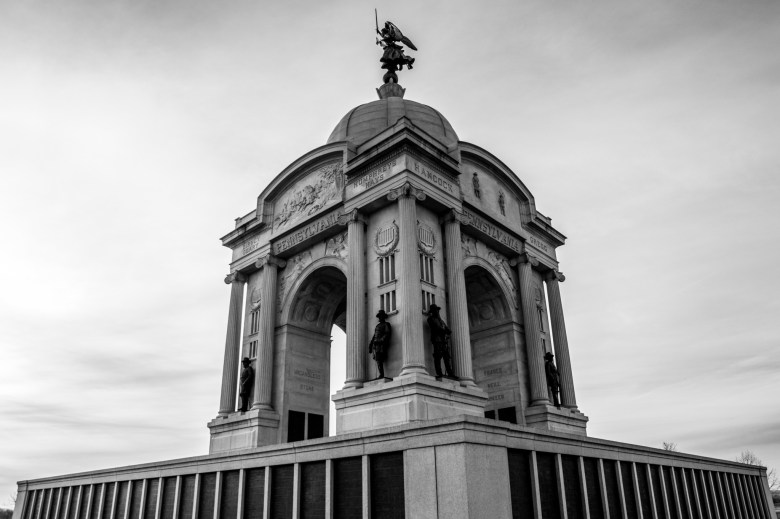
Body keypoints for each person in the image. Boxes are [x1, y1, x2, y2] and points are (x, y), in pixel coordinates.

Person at [427, 304, 456, 378]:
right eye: (436, 310)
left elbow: (448, 330)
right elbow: (436, 328)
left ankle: (450, 373)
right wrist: (443, 330)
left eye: (438, 310)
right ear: (433, 311)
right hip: (437, 340)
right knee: (438, 357)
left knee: (446, 357)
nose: (437, 311)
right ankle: (439, 373)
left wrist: (447, 331)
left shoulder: (441, 321)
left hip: (443, 341)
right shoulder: (430, 319)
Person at [368, 309, 392, 378]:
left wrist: (380, 340)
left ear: (383, 317)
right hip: (375, 345)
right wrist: (370, 344)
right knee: (377, 359)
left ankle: (381, 374)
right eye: (379, 317)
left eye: (381, 316)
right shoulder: (377, 326)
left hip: (381, 345)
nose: (379, 318)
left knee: (379, 359)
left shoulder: (386, 324)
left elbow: (387, 334)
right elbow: (374, 335)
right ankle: (380, 374)